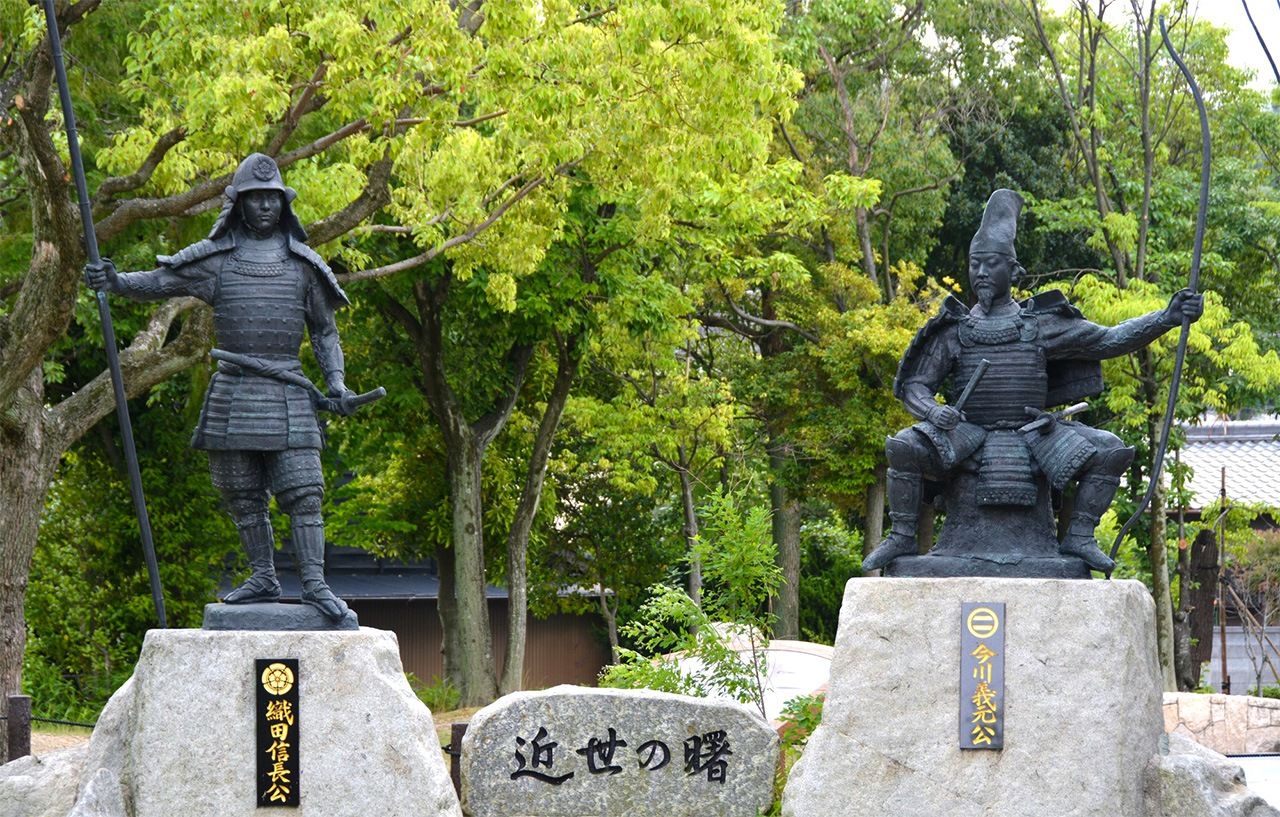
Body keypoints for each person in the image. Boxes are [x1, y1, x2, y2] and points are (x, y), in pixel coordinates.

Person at [863, 189, 1203, 574]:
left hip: (1033, 432)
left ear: (1014, 272)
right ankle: (902, 535)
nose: (981, 273)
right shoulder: (955, 329)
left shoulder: (1041, 324)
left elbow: (1109, 340)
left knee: (1110, 449)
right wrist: (934, 411)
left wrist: (1166, 317)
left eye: (991, 264)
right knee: (903, 446)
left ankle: (1080, 536)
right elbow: (915, 386)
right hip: (967, 432)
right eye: (975, 264)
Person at [85, 153, 355, 621]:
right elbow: (162, 281)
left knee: (305, 492)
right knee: (242, 493)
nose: (265, 206)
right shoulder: (217, 260)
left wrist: (336, 382)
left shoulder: (304, 265)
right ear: (239, 204)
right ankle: (263, 575)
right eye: (255, 198)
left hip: (288, 392)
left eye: (272, 198)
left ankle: (314, 584)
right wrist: (116, 281)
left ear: (284, 204)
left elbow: (325, 331)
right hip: (234, 392)